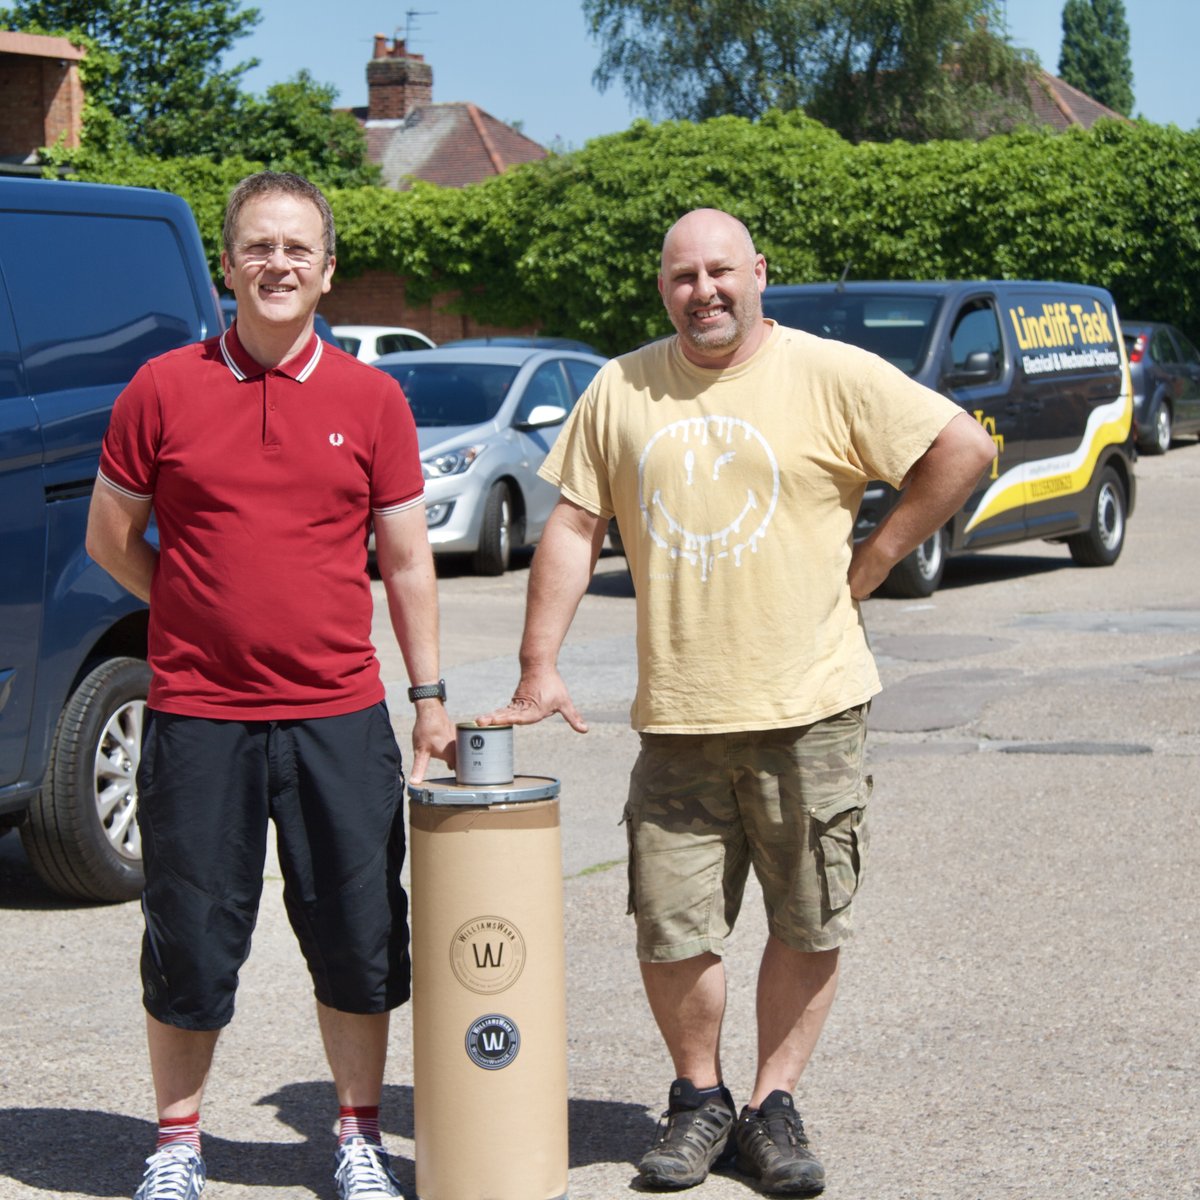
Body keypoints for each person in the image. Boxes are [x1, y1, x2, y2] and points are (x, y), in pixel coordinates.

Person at [478, 208, 996, 1195]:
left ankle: (772, 1104)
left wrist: (876, 557)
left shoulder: (828, 373)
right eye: (683, 276)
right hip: (679, 717)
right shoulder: (620, 387)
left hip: (812, 707)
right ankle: (699, 1097)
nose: (703, 291)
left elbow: (961, 448)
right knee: (671, 928)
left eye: (721, 271)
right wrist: (538, 667)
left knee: (808, 920)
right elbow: (575, 527)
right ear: (662, 286)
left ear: (759, 272)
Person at [86, 170, 456, 1200]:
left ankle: (356, 1136)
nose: (278, 265)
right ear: (229, 266)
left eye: (298, 250)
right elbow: (110, 535)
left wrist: (429, 696)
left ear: (327, 271)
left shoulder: (372, 399)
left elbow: (409, 561)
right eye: (259, 247)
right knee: (191, 939)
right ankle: (176, 1144)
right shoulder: (162, 388)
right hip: (199, 716)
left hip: (339, 714)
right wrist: (188, 605)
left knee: (359, 935)